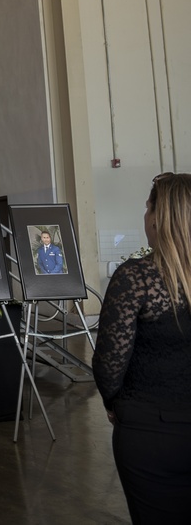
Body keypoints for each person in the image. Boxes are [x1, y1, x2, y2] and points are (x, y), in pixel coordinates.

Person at [93, 172, 191, 524]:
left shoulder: (136, 278)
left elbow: (109, 363)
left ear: (157, 217)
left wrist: (115, 403)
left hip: (152, 434)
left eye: (147, 207)